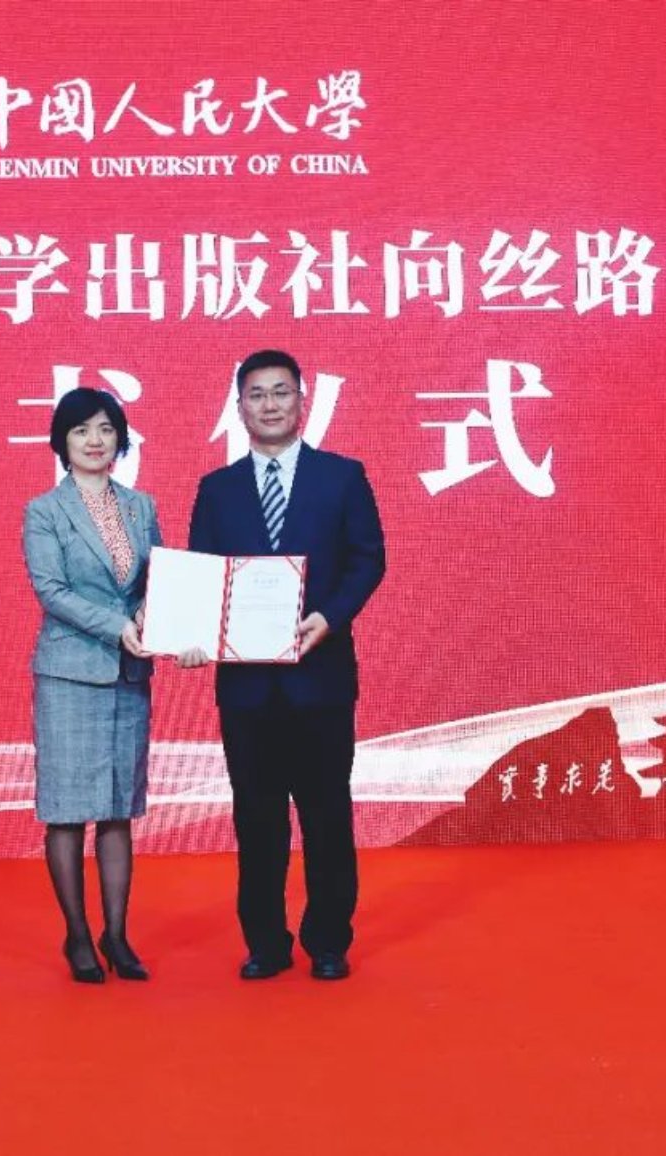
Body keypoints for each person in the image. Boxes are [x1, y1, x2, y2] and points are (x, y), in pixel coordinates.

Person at [185, 349, 386, 981]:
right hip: (246, 688)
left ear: (302, 401)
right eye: (256, 394)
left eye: (280, 392)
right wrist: (193, 634)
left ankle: (328, 941)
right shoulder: (217, 490)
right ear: (239, 407)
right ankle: (266, 943)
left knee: (327, 814)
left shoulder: (342, 477)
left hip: (320, 679)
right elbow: (202, 579)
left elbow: (368, 559)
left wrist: (330, 617)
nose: (269, 405)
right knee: (257, 818)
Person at [22, 387, 163, 984]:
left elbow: (160, 581)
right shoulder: (45, 512)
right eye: (81, 430)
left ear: (121, 439)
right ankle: (78, 936)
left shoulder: (140, 506)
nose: (95, 440)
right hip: (69, 674)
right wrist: (119, 627)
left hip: (129, 675)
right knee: (66, 811)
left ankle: (118, 935)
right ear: (62, 442)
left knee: (117, 809)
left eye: (106, 429)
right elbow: (51, 590)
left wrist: (159, 618)